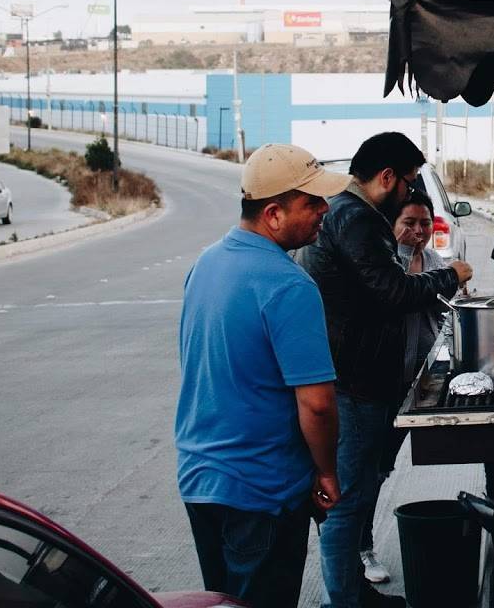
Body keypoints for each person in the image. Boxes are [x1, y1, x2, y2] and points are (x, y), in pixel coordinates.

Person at [297, 132, 474, 608]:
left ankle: (352, 591)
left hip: (358, 376)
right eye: (410, 181)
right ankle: (343, 600)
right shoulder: (356, 218)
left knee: (360, 489)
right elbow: (391, 291)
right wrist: (449, 276)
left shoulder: (347, 214)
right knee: (348, 501)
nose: (412, 192)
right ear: (387, 177)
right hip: (353, 381)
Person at [175, 143, 350, 608]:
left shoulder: (206, 264)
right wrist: (327, 471)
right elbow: (316, 402)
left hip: (202, 480)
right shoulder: (289, 285)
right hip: (262, 491)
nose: (324, 210)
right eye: (312, 202)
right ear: (273, 213)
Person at [360, 187, 452, 585]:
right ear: (391, 225)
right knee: (366, 470)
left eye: (424, 223)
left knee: (382, 467)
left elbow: (447, 320)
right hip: (376, 384)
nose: (418, 231)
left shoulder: (434, 261)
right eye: (408, 223)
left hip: (415, 385)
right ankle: (360, 547)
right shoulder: (383, 267)